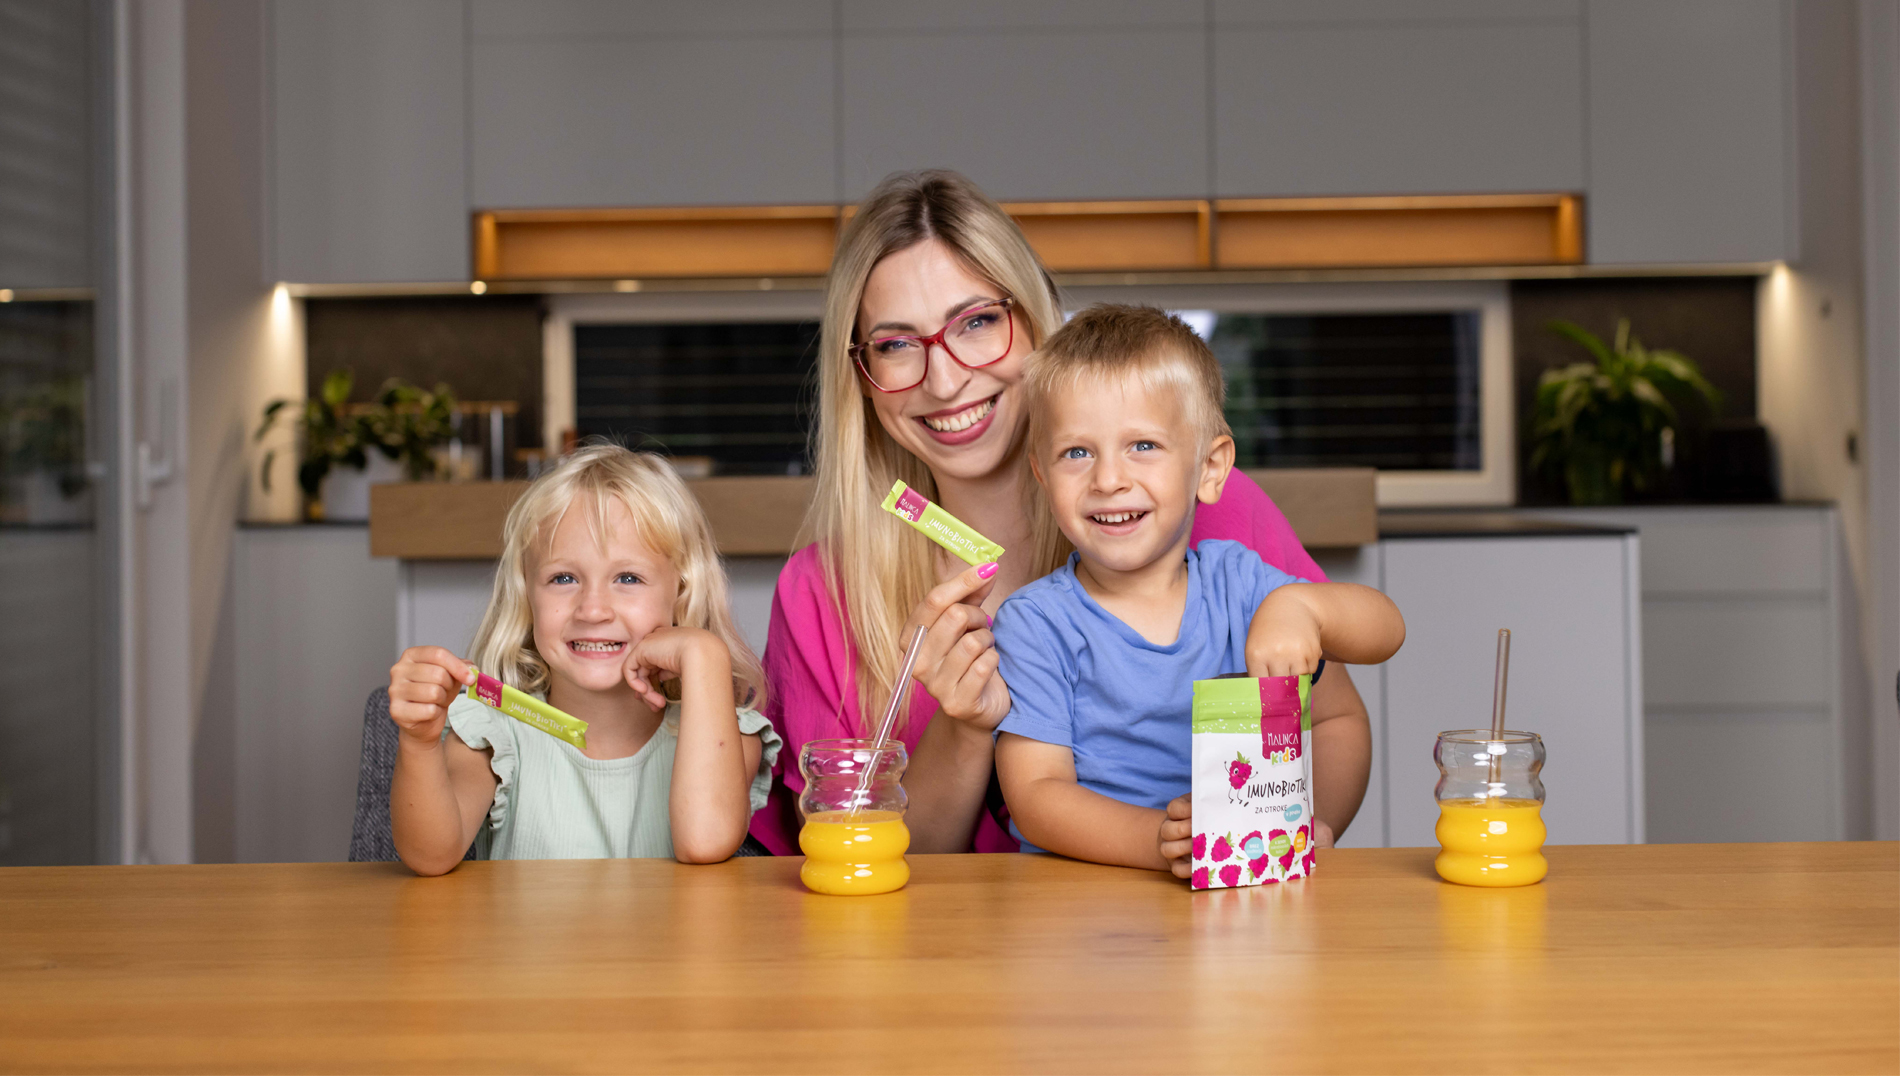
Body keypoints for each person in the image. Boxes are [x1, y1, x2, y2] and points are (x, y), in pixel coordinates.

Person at [753, 169, 1367, 855]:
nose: (946, 378)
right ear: (861, 378)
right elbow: (878, 869)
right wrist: (963, 727)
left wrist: (1311, 831)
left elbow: (1337, 711)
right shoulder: (824, 594)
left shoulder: (1205, 512)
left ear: (1036, 317)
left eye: (978, 322)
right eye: (896, 345)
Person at [992, 306, 1406, 873]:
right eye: (1077, 452)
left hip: (1244, 907)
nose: (1108, 479)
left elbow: (1387, 631)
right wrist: (1168, 842)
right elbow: (1037, 797)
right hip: (1081, 917)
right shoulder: (1035, 623)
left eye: (1143, 445)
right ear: (1042, 475)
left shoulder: (1242, 586)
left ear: (1211, 468)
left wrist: (1303, 606)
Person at [385, 443, 781, 875]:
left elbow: (704, 841)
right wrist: (420, 743)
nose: (593, 609)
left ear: (681, 594)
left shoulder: (725, 734)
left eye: (628, 578)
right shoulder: (496, 732)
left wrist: (705, 653)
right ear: (526, 597)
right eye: (563, 578)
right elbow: (430, 855)